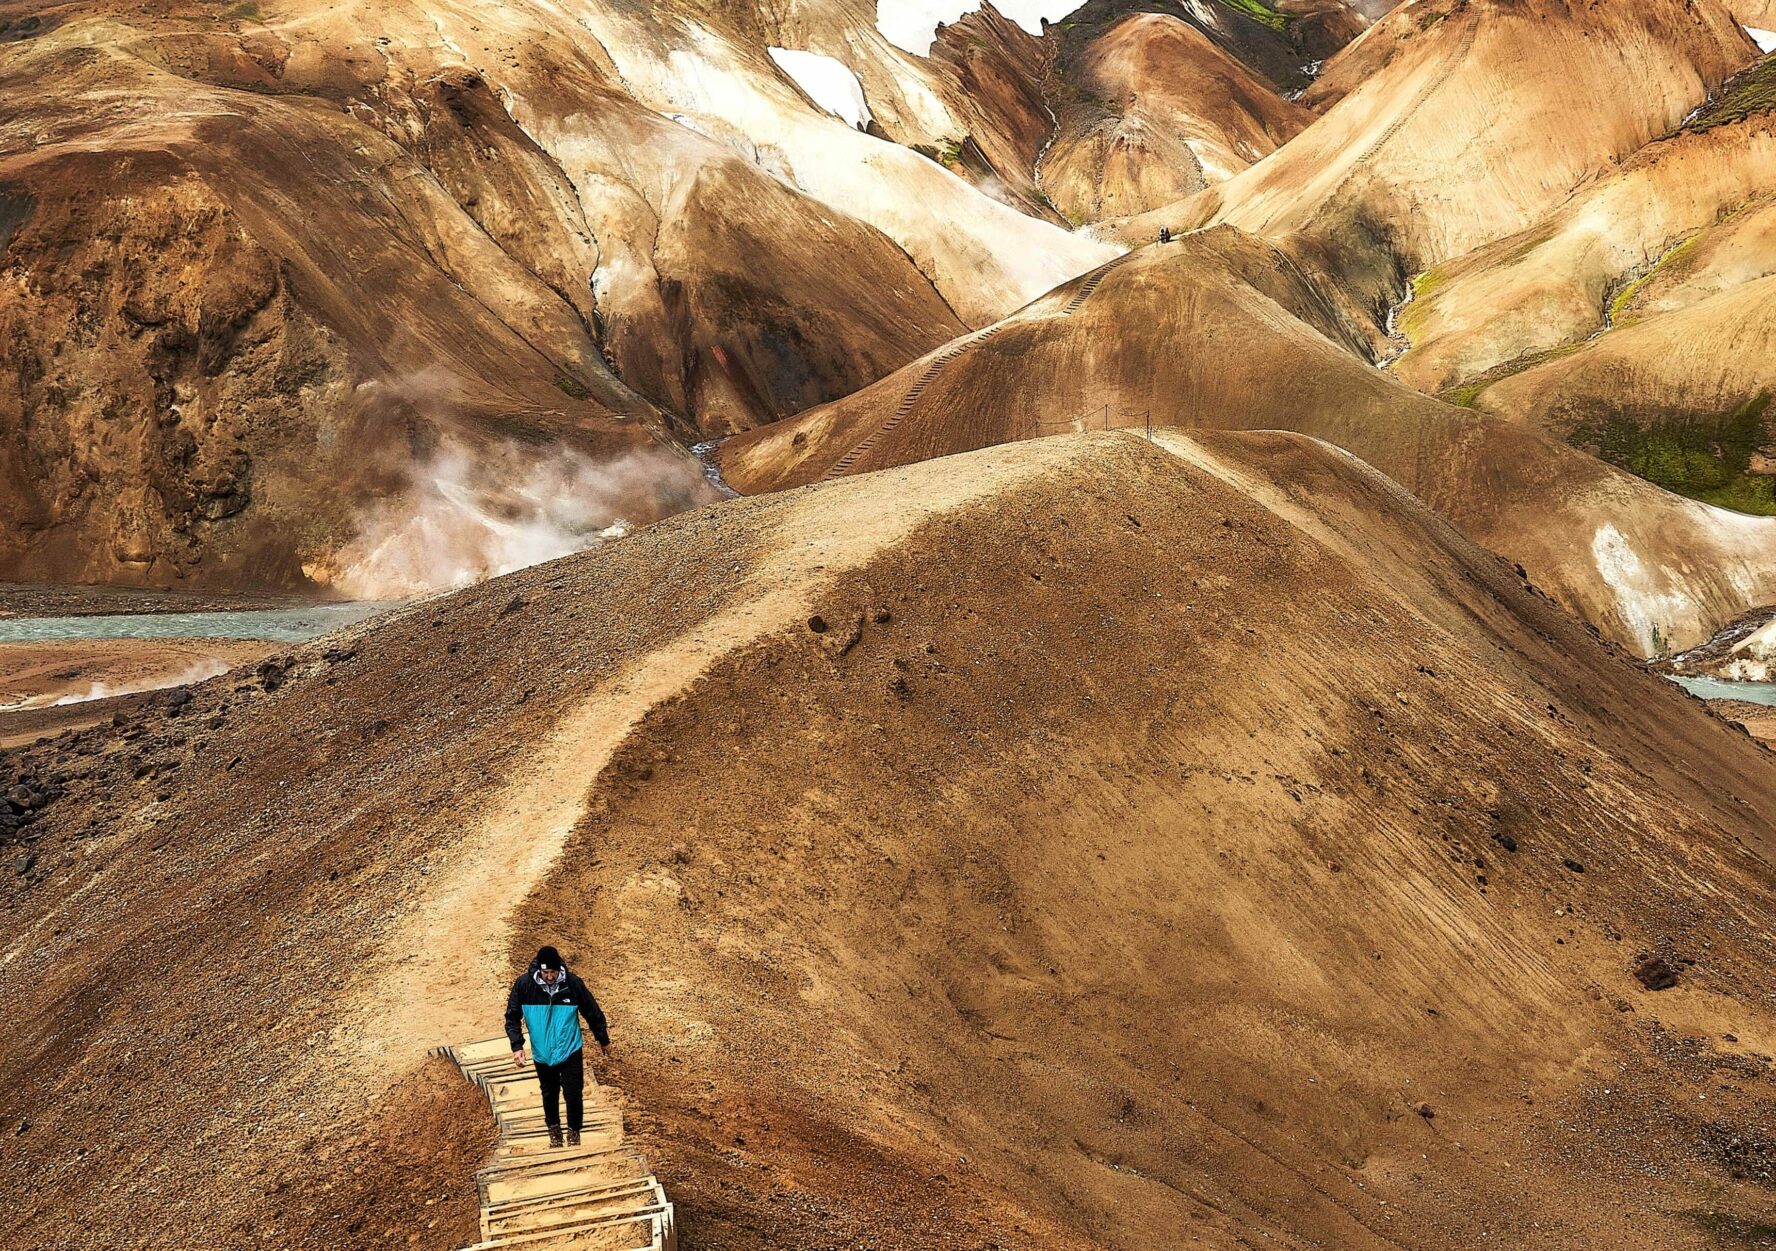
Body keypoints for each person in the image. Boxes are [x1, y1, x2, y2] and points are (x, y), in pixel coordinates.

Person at [504, 945, 611, 1148]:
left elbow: (592, 1011)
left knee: (573, 1093)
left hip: (569, 1047)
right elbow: (512, 1017)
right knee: (549, 1092)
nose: (550, 977)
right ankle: (554, 1131)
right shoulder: (524, 985)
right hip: (542, 1051)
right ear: (539, 970)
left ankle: (574, 1132)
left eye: (553, 972)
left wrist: (603, 1039)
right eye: (546, 973)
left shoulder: (572, 984)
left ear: (558, 968)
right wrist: (517, 1046)